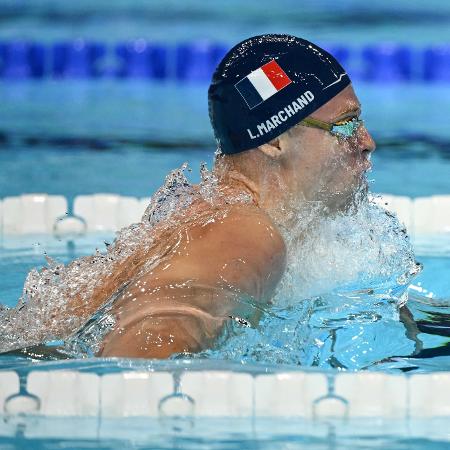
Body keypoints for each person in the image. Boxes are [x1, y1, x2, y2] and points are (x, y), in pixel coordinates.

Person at [1, 34, 376, 358]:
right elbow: (136, 359)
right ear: (275, 141)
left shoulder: (223, 217)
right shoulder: (245, 234)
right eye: (346, 124)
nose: (366, 142)